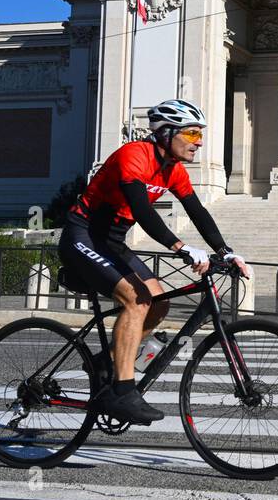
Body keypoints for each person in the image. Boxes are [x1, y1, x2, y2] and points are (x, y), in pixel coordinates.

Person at [59, 98, 249, 425]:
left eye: (199, 134)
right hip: (83, 235)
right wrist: (181, 247)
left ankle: (109, 361)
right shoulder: (133, 155)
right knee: (136, 301)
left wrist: (225, 251)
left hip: (112, 241)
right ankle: (122, 391)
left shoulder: (172, 170)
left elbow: (197, 211)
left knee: (158, 303)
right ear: (166, 133)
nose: (199, 142)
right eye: (191, 134)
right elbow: (143, 211)